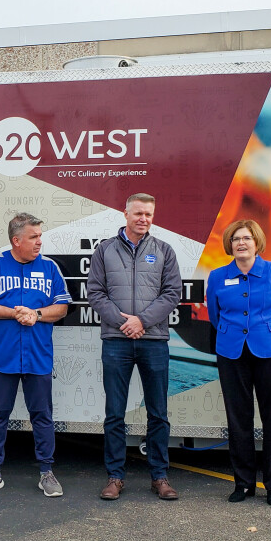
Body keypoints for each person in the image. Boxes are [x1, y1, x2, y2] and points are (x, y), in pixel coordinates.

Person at [87, 193, 182, 501]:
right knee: (114, 412)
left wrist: (142, 321)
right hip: (116, 342)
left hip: (153, 342)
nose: (144, 218)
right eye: (138, 213)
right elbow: (95, 293)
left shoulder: (164, 251)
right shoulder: (104, 251)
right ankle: (115, 477)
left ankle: (160, 477)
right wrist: (123, 322)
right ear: (125, 214)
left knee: (158, 413)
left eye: (149, 214)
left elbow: (172, 293)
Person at [0, 213, 71, 498]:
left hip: (38, 355)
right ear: (16, 240)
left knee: (42, 415)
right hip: (2, 355)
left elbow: (61, 307)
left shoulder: (50, 268)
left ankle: (46, 472)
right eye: (33, 237)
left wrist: (36, 314)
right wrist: (15, 312)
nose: (40, 241)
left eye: (40, 236)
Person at [205, 219, 271, 506]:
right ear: (229, 245)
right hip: (232, 352)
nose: (240, 243)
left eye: (246, 238)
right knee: (238, 420)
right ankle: (243, 483)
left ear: (257, 242)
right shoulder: (218, 276)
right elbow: (215, 315)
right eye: (235, 239)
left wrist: (269, 333)